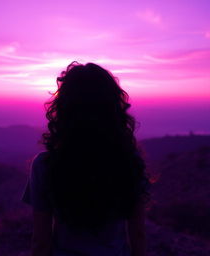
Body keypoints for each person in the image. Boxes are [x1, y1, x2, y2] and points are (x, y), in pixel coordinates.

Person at [21, 61, 151, 256]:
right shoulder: (129, 162)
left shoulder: (45, 165)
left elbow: (41, 240)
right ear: (113, 108)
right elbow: (138, 234)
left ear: (64, 108)